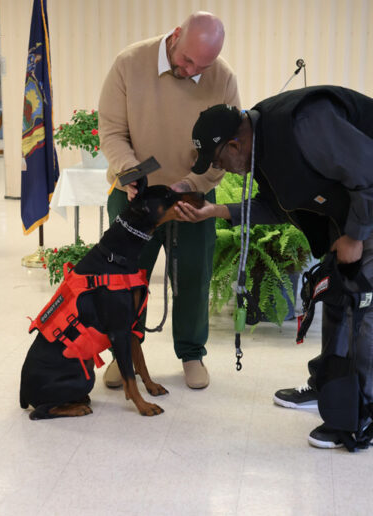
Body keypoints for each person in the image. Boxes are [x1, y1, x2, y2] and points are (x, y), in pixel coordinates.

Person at [175, 87, 373, 448]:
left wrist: (357, 236)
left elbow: (368, 169)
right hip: (348, 215)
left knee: (363, 309)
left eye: (218, 161)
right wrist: (216, 211)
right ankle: (330, 386)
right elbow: (277, 205)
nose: (220, 169)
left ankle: (362, 411)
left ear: (234, 145)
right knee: (336, 297)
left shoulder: (305, 124)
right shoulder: (261, 147)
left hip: (368, 209)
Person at [98, 12, 240, 389]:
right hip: (134, 195)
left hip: (191, 195)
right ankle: (124, 353)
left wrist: (193, 183)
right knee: (126, 280)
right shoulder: (130, 63)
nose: (192, 70)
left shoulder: (222, 77)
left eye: (202, 66)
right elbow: (111, 131)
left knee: (194, 275)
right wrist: (131, 172)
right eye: (187, 60)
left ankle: (192, 354)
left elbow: (227, 147)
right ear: (176, 36)